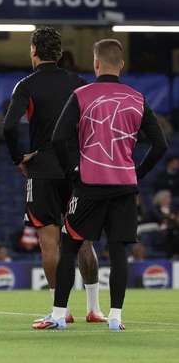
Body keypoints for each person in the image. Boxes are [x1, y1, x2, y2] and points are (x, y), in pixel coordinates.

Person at [42, 39, 167, 331]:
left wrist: (73, 170)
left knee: (70, 247)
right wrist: (138, 173)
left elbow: (59, 138)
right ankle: (115, 318)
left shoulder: (81, 95)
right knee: (119, 251)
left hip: (88, 184)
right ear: (121, 65)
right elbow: (160, 145)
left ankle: (59, 315)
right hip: (124, 185)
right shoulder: (137, 98)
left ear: (96, 64)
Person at [3, 26, 105, 326]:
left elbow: (8, 127)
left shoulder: (26, 85)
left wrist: (18, 157)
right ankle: (94, 308)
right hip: (77, 169)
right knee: (84, 241)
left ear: (34, 50)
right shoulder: (79, 83)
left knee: (50, 241)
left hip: (43, 168)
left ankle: (60, 312)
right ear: (58, 53)